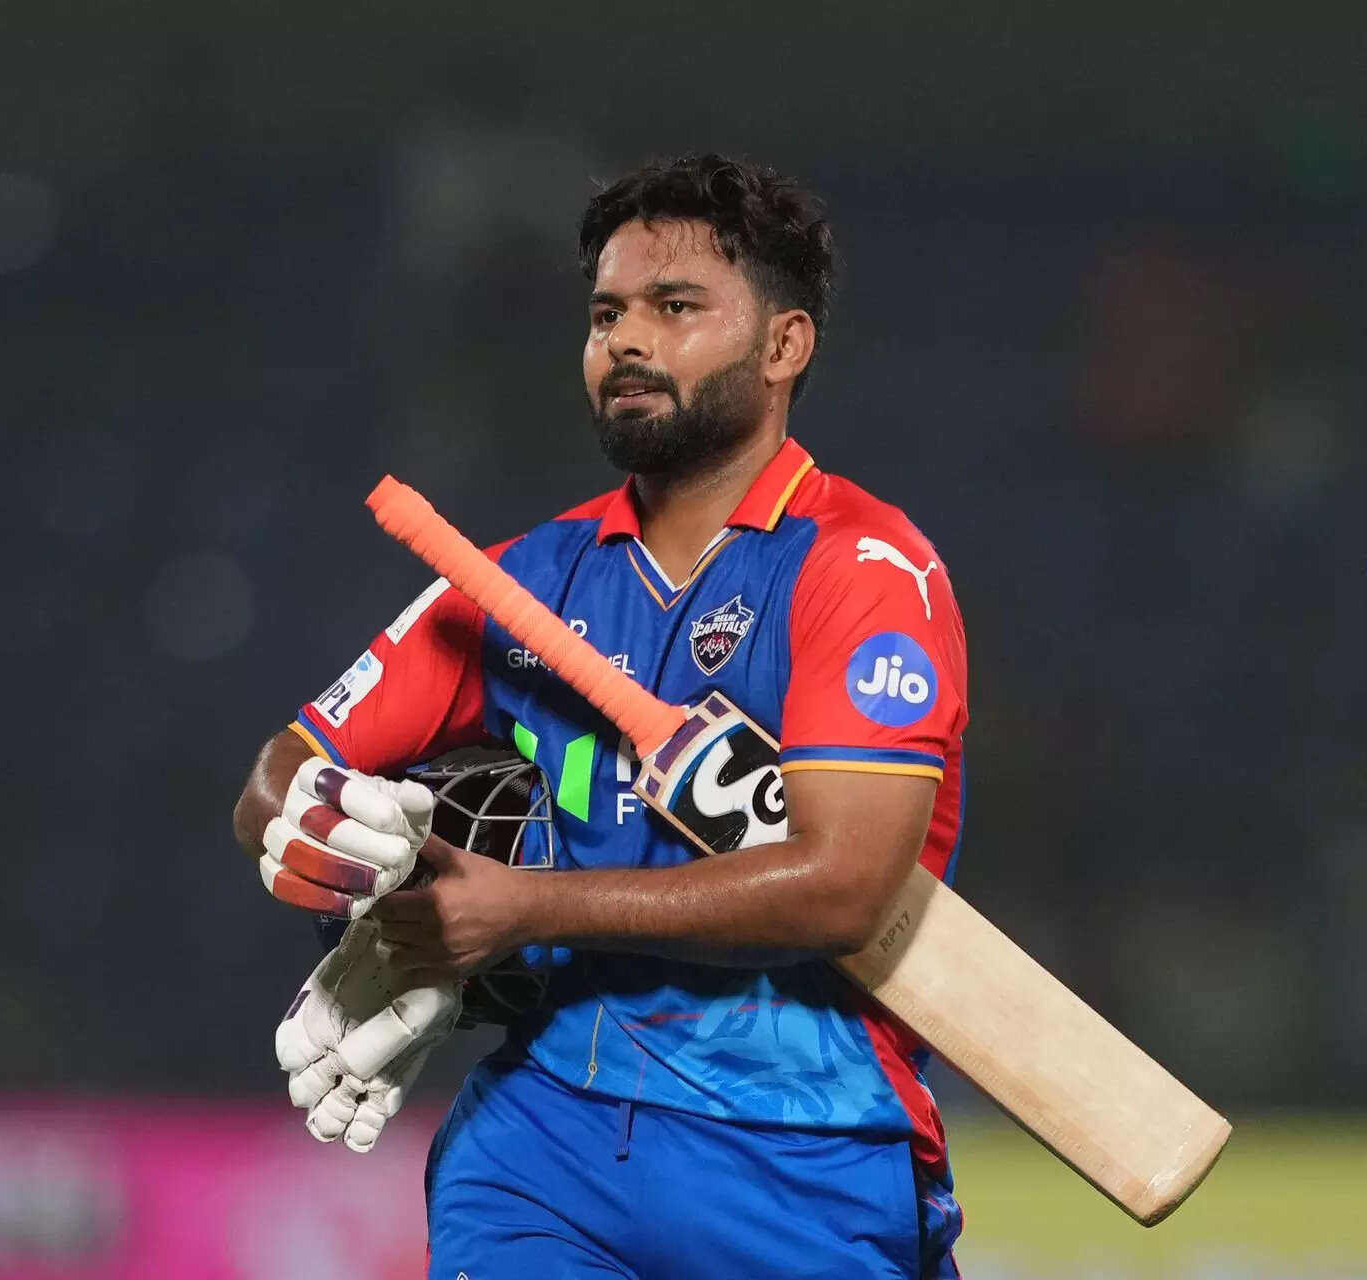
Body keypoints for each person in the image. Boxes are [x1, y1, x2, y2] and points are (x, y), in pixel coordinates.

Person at [234, 153, 968, 1279]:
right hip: (543, 1141)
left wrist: (520, 908)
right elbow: (281, 772)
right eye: (606, 313)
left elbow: (844, 886)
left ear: (784, 346)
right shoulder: (520, 579)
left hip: (803, 1149)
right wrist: (347, 854)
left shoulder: (864, 569)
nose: (625, 340)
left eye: (675, 308)